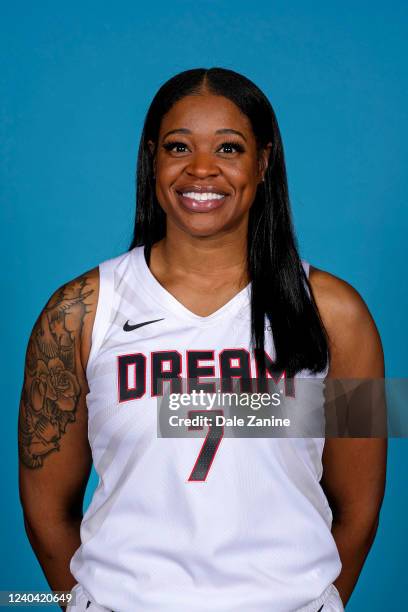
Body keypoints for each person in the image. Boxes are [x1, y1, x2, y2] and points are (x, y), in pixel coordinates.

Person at [18, 67, 386, 612]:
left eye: (229, 148)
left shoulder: (340, 314)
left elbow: (360, 510)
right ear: (152, 159)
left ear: (263, 162)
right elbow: (45, 512)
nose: (202, 169)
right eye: (179, 146)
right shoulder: (78, 313)